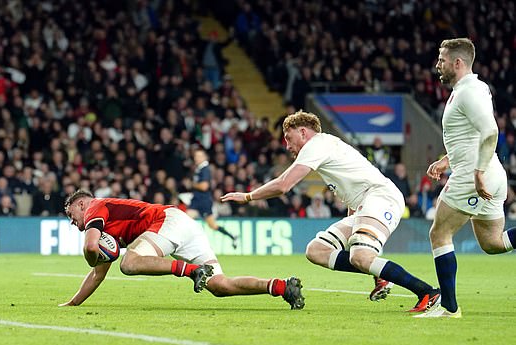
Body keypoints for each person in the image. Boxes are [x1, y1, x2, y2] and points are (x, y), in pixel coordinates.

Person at [221, 110, 440, 313]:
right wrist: (354, 227)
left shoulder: (316, 145)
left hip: (380, 197)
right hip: (365, 202)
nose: (287, 146)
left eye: (289, 138)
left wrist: (248, 196)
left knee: (361, 256)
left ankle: (427, 292)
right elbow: (352, 188)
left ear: (303, 132)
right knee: (316, 251)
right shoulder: (326, 147)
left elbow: (283, 185)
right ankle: (380, 272)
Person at [60, 189, 304, 309]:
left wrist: (91, 257)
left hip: (167, 221)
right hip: (183, 225)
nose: (73, 222)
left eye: (72, 215)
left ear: (81, 204)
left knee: (129, 263)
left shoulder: (95, 207)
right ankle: (282, 287)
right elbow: (96, 274)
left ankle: (191, 270)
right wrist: (72, 304)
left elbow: (91, 248)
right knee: (219, 285)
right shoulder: (106, 231)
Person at [416, 38, 516, 318]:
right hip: (492, 173)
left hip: (475, 175)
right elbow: (471, 134)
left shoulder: (467, 93)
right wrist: (447, 159)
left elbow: (491, 132)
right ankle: (448, 307)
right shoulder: (474, 87)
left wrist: (478, 172)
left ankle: (449, 308)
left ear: (457, 63)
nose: (438, 64)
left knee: (439, 233)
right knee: (493, 243)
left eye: (442, 60)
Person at [186, 148, 238, 248]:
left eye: (198, 156)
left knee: (211, 225)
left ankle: (232, 236)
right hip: (197, 200)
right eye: (195, 156)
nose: (196, 158)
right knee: (188, 221)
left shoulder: (205, 169)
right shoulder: (199, 169)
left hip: (203, 201)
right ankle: (232, 236)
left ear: (204, 157)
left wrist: (192, 184)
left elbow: (204, 186)